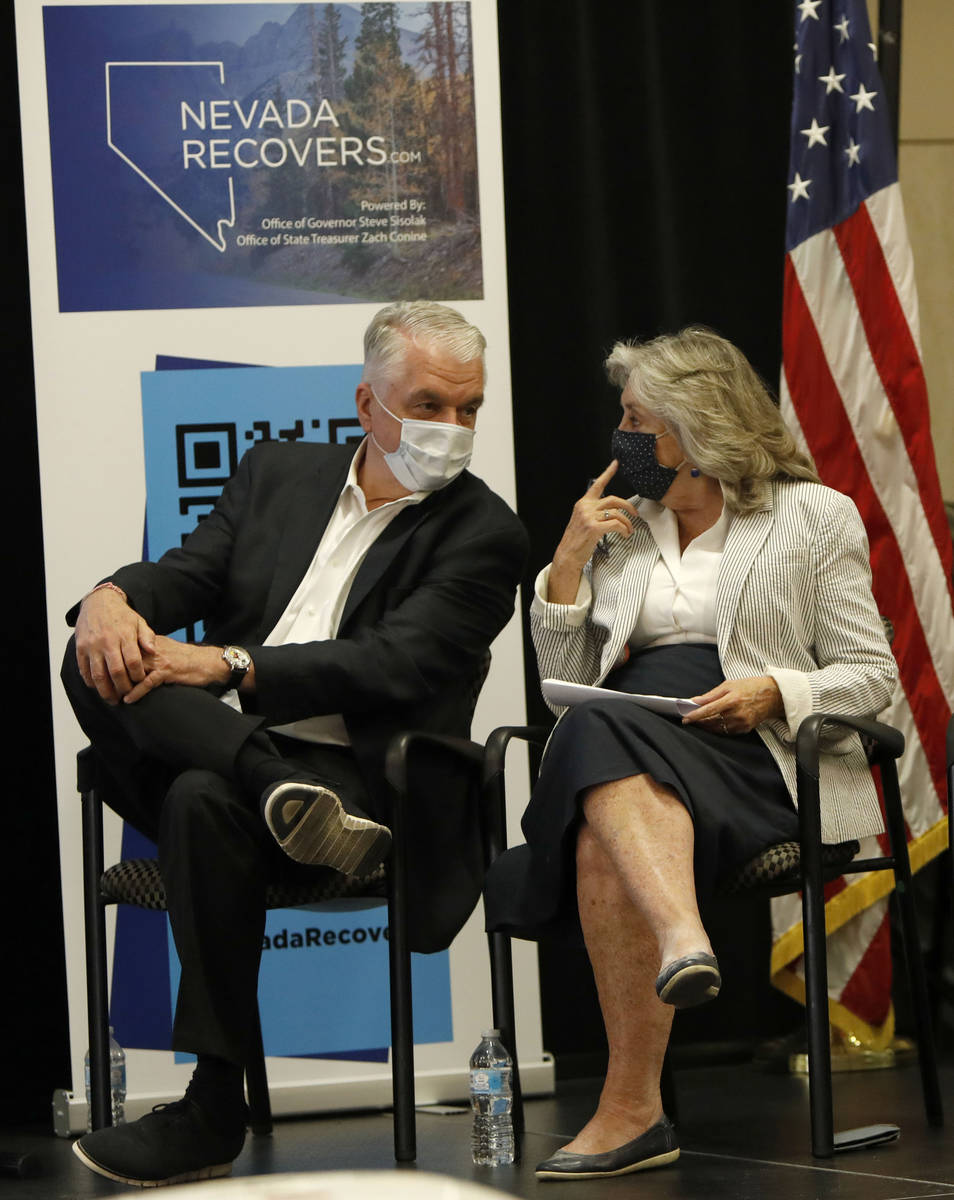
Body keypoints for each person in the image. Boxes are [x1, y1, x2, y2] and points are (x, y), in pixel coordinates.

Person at [62, 301, 528, 1187]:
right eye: (428, 405)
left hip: (365, 780)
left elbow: (392, 664)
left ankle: (211, 1105)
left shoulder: (486, 532)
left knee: (201, 797)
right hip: (250, 750)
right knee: (91, 651)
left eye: (470, 409)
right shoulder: (278, 472)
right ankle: (262, 775)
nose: (453, 429)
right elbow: (187, 571)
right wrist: (112, 597)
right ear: (367, 404)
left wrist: (229, 664)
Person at [484, 326, 897, 1182]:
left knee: (599, 761)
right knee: (598, 747)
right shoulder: (622, 528)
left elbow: (873, 675)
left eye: (637, 417)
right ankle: (679, 952)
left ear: (694, 427)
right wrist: (565, 570)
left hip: (763, 756)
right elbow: (567, 684)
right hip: (635, 742)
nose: (622, 436)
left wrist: (776, 690)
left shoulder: (811, 516)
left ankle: (630, 1106)